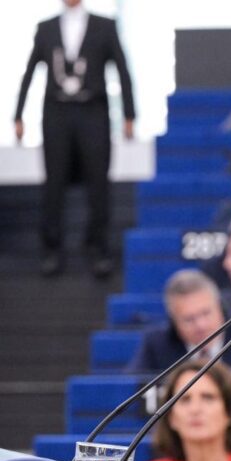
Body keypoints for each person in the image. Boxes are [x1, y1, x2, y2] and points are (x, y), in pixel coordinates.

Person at [15, 0, 135, 278]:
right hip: (56, 113)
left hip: (93, 111)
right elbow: (29, 72)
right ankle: (51, 247)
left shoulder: (104, 26)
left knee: (98, 181)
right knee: (54, 182)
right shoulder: (46, 28)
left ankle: (97, 247)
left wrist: (129, 114)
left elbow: (122, 69)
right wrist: (18, 115)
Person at [126, 269, 231, 374]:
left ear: (220, 307)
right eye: (189, 319)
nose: (201, 325)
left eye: (206, 313)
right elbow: (130, 392)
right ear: (174, 321)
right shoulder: (156, 344)